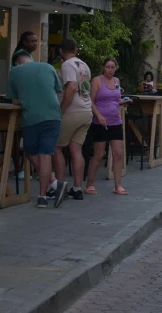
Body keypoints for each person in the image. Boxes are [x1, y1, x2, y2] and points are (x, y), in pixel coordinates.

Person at [6, 50, 67, 209]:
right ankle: (50, 189)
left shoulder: (14, 72)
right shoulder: (48, 67)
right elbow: (59, 92)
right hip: (53, 117)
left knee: (31, 152)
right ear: (31, 59)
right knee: (45, 154)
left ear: (16, 63)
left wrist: (27, 98)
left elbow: (14, 101)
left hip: (31, 119)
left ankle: (45, 194)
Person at [85, 57, 131, 195]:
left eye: (112, 67)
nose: (110, 70)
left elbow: (115, 100)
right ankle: (89, 183)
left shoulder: (117, 81)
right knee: (99, 154)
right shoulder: (97, 81)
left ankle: (118, 185)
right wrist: (99, 116)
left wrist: (123, 102)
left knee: (118, 153)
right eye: (107, 67)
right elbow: (90, 101)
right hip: (100, 122)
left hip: (115, 121)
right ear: (103, 68)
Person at [54, 38, 92, 201]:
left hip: (72, 111)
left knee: (56, 148)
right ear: (76, 50)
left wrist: (61, 110)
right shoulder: (84, 65)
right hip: (86, 110)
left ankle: (60, 187)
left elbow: (71, 86)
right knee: (76, 150)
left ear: (61, 51)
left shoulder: (67, 65)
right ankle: (77, 188)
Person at [11, 31, 39, 180]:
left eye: (36, 41)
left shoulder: (27, 55)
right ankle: (19, 169)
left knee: (24, 135)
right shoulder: (20, 55)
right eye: (32, 41)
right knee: (17, 136)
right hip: (21, 99)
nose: (34, 44)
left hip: (27, 99)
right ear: (24, 42)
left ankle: (28, 167)